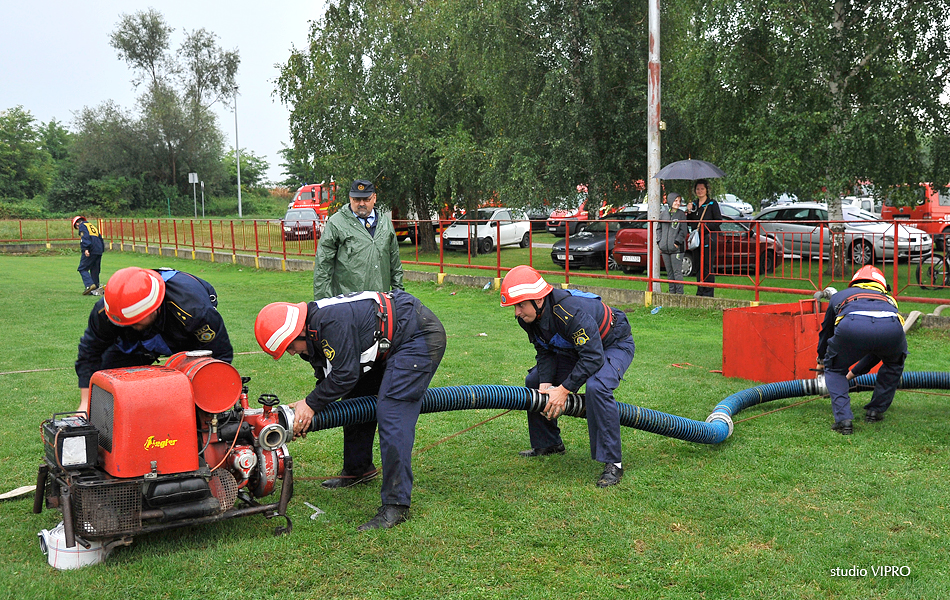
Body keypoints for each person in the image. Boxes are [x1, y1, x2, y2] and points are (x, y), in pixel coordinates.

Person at [254, 289, 446, 530]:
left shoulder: (330, 322)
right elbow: (330, 379)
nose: (291, 353)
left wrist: (311, 403)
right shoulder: (312, 330)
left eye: (290, 346)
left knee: (392, 411)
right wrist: (307, 411)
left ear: (298, 331)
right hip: (386, 342)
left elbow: (345, 374)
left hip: (416, 336)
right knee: (355, 399)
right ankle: (358, 470)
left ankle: (397, 505)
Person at [499, 265, 636, 487]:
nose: (517, 312)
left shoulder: (569, 311)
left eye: (521, 305)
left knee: (596, 387)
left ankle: (613, 463)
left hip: (613, 344)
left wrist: (563, 391)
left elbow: (592, 358)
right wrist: (545, 385)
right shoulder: (528, 317)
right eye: (515, 306)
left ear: (539, 300)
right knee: (534, 382)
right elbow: (545, 350)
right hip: (577, 349)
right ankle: (549, 443)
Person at [312, 178, 405, 490]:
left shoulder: (386, 222)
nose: (360, 203)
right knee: (355, 393)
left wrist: (400, 297)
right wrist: (323, 309)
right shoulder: (337, 224)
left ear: (374, 198)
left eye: (365, 199)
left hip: (387, 319)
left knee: (390, 395)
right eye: (355, 199)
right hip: (352, 324)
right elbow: (323, 268)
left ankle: (392, 468)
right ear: (349, 199)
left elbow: (395, 262)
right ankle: (357, 467)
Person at [75, 267, 233, 414]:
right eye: (126, 323)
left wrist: (208, 403)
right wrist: (85, 404)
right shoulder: (108, 311)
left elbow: (219, 355)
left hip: (180, 326)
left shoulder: (196, 311)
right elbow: (89, 353)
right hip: (139, 339)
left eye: (136, 322)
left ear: (154, 307)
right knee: (105, 378)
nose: (131, 326)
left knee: (192, 381)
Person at [816, 265, 907, 435]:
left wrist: (822, 360)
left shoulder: (840, 295)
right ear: (882, 285)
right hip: (892, 328)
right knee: (893, 364)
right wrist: (854, 374)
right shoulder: (889, 299)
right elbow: (877, 352)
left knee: (835, 369)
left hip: (851, 325)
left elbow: (826, 332)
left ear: (855, 282)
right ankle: (875, 411)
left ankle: (844, 421)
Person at [685, 180, 722, 297]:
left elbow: (718, 221)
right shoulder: (694, 204)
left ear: (707, 190)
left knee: (707, 265)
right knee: (697, 265)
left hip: (708, 239)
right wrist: (689, 211)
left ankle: (708, 292)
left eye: (702, 189)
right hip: (697, 240)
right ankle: (700, 290)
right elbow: (690, 222)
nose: (699, 191)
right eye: (697, 189)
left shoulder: (712, 203)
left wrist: (704, 227)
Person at [658, 193, 688, 294]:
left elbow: (683, 231)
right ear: (670, 201)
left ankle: (679, 294)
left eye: (679, 201)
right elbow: (659, 228)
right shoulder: (663, 214)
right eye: (675, 201)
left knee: (677, 272)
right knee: (669, 273)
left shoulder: (681, 214)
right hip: (665, 248)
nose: (678, 203)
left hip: (677, 249)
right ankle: (672, 293)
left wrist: (676, 242)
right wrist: (659, 242)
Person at [72, 216, 105, 295]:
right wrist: (101, 249)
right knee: (95, 270)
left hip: (91, 249)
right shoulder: (91, 226)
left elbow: (85, 237)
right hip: (98, 250)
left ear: (77, 223)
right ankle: (95, 289)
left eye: (76, 227)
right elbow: (100, 238)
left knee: (82, 268)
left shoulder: (82, 226)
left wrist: (86, 248)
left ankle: (89, 285)